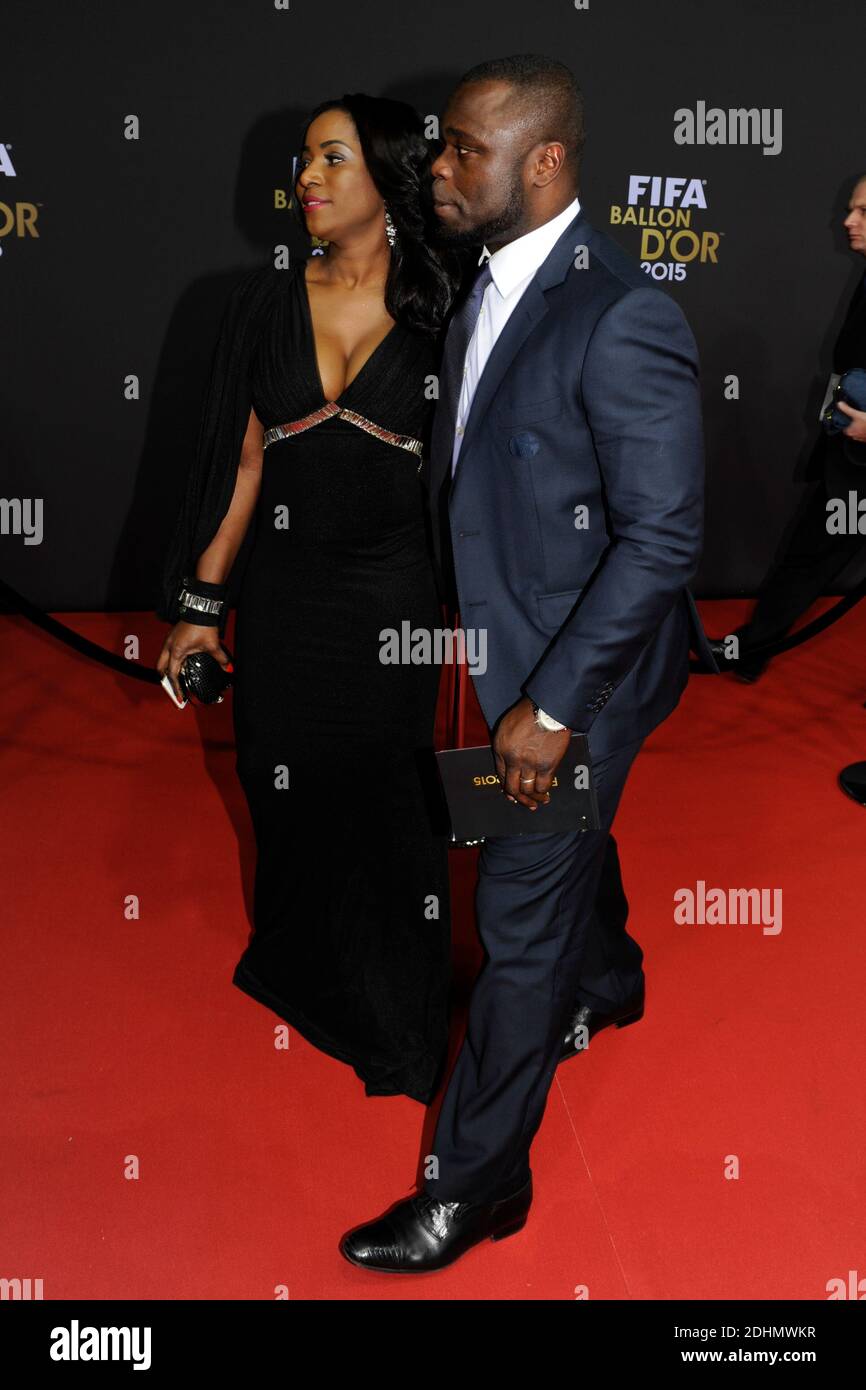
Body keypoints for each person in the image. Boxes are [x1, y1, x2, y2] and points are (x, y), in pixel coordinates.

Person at [340, 53, 716, 1273]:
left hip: (574, 684)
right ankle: (613, 977)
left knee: (513, 928)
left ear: (543, 162)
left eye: (461, 150)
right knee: (561, 875)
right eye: (439, 147)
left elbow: (661, 535)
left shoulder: (623, 313)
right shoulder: (481, 280)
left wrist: (553, 709)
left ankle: (477, 1184)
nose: (435, 169)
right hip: (507, 645)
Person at [155, 94, 462, 1103]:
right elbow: (241, 466)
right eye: (301, 159)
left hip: (396, 601)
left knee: (386, 799)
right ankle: (300, 963)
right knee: (278, 777)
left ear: (385, 177)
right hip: (286, 602)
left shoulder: (446, 301)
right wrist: (202, 604)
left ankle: (393, 1002)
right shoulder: (261, 301)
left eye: (332, 157)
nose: (307, 177)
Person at [707, 174, 866, 683]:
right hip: (852, 462)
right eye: (850, 208)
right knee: (806, 557)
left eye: (863, 212)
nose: (847, 221)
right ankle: (751, 651)